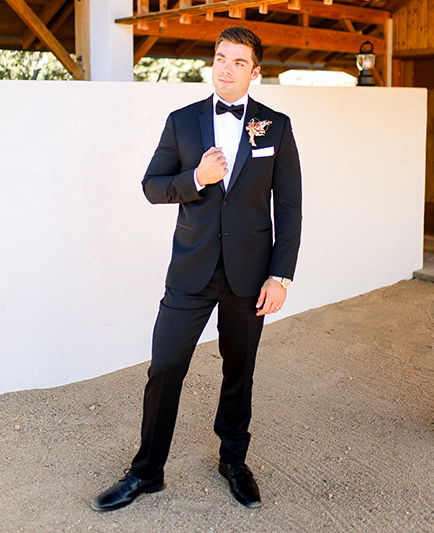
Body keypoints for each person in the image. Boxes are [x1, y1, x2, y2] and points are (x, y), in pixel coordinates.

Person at [91, 26, 302, 512]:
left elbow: (289, 207)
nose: (226, 68)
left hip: (250, 276)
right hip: (191, 271)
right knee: (165, 367)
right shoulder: (182, 122)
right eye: (220, 58)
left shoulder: (277, 126)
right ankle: (146, 473)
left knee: (239, 370)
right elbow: (152, 186)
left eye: (238, 62)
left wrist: (281, 275)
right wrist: (195, 178)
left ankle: (233, 460)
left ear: (255, 71)